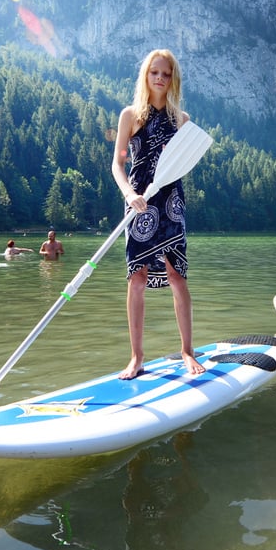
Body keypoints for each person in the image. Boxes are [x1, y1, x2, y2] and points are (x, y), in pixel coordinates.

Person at [112, 48, 201, 379]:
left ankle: (187, 351)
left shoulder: (183, 120)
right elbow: (118, 163)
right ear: (145, 76)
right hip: (138, 202)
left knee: (177, 275)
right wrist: (129, 193)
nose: (160, 78)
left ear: (172, 78)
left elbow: (184, 160)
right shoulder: (130, 116)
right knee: (137, 277)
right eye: (154, 72)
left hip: (171, 202)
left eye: (166, 73)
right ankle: (136, 357)